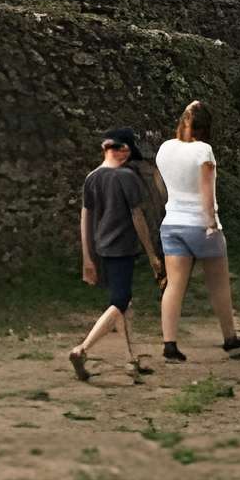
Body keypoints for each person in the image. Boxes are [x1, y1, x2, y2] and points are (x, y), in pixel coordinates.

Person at [156, 99, 240, 362]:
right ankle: (229, 338)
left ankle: (169, 343)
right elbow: (207, 192)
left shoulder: (165, 149)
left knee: (174, 285)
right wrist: (211, 223)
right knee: (219, 285)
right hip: (200, 224)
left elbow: (163, 185)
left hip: (172, 223)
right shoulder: (204, 152)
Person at [71, 127, 164, 382]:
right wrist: (152, 254)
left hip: (101, 248)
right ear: (123, 151)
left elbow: (85, 217)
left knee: (124, 305)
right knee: (120, 303)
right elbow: (137, 217)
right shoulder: (126, 177)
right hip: (122, 249)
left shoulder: (92, 177)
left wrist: (87, 257)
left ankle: (131, 360)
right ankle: (83, 349)